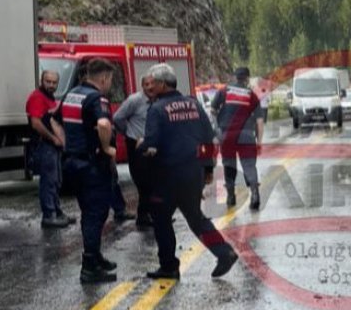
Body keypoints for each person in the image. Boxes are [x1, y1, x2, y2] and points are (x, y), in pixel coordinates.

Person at [139, 64, 239, 279]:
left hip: (167, 176)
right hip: (194, 173)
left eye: (153, 83)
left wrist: (140, 145)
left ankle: (169, 267)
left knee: (161, 219)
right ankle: (224, 252)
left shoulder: (156, 110)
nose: (150, 87)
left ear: (163, 84)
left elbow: (151, 144)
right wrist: (208, 169)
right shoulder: (194, 105)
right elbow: (208, 138)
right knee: (195, 217)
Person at [58, 59, 120, 283]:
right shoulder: (97, 98)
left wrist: (67, 142)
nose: (110, 84)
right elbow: (104, 125)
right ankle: (90, 266)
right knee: (96, 214)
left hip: (73, 162)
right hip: (92, 164)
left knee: (88, 212)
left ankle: (95, 256)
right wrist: (106, 147)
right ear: (103, 78)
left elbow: (55, 120)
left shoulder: (72, 94)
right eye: (110, 79)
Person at [210, 67, 265, 210]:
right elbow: (259, 121)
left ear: (235, 77)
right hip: (246, 135)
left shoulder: (224, 91)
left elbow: (212, 110)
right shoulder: (251, 95)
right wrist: (259, 142)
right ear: (247, 78)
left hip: (227, 135)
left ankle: (230, 196)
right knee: (249, 166)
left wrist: (217, 129)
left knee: (229, 165)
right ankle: (254, 194)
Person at [25, 70, 70, 229]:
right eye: (48, 81)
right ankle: (49, 215)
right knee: (49, 181)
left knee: (56, 180)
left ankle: (56, 212)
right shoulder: (37, 97)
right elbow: (36, 123)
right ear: (41, 81)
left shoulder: (49, 98)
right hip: (43, 145)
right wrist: (53, 138)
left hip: (52, 146)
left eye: (54, 82)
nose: (51, 85)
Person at [113, 74, 156, 229]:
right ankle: (144, 217)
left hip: (154, 145)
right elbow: (117, 117)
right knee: (144, 182)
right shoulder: (134, 101)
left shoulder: (159, 100)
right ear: (142, 86)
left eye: (153, 83)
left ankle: (154, 215)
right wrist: (128, 133)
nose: (150, 87)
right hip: (137, 145)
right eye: (146, 84)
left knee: (156, 182)